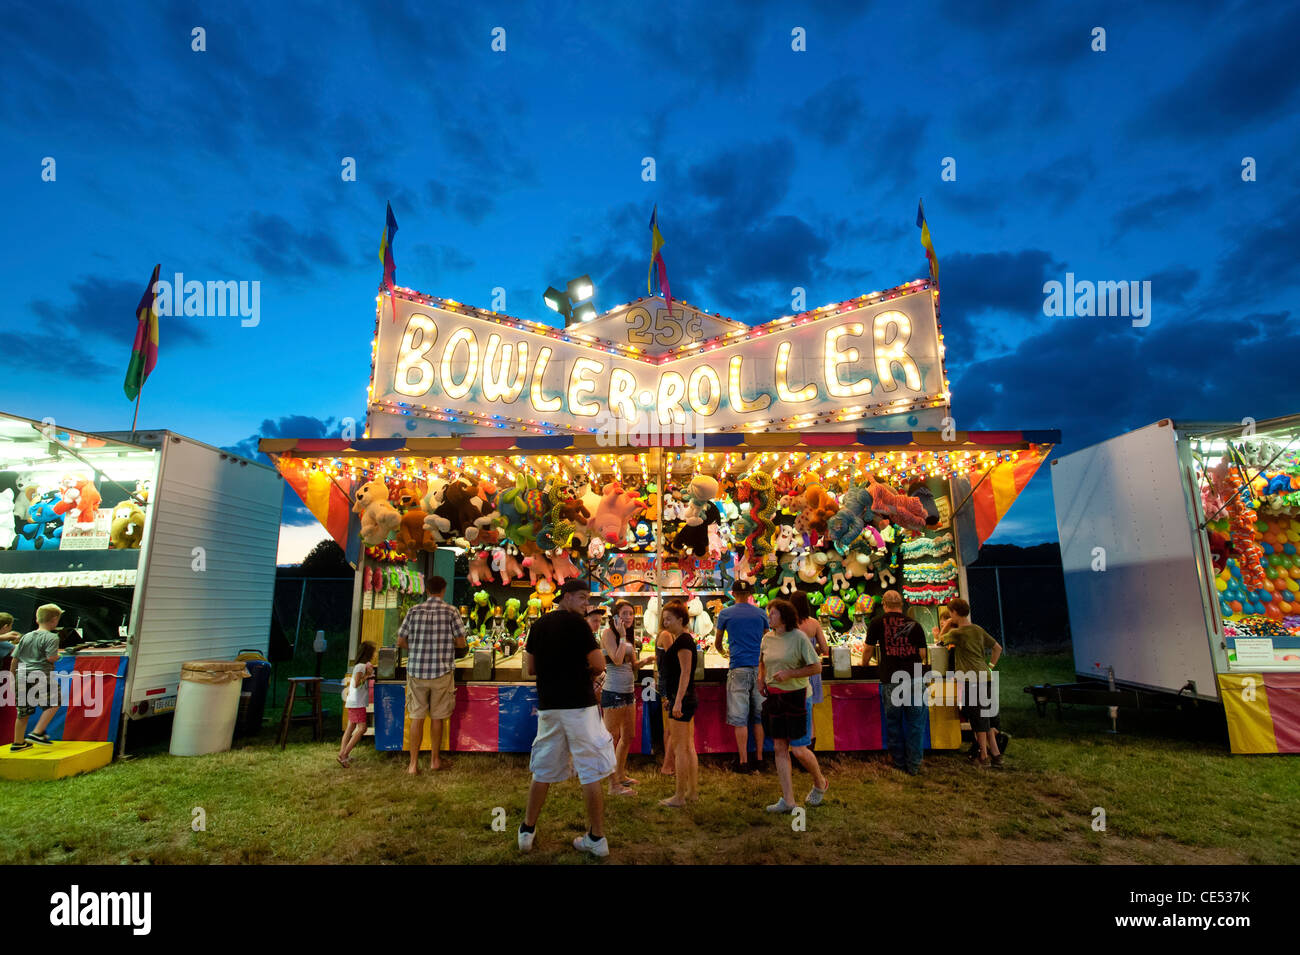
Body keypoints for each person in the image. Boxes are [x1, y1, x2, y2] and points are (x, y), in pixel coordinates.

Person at [519, 579, 617, 857]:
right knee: (589, 772)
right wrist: (579, 673)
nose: (586, 604)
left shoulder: (538, 626)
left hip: (549, 706)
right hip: (580, 706)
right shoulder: (580, 627)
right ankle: (596, 838)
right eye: (583, 598)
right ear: (568, 597)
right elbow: (599, 665)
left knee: (543, 769)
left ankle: (527, 830)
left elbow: (531, 668)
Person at [759, 598, 829, 813]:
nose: (769, 616)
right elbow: (762, 661)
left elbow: (816, 667)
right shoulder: (767, 638)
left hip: (798, 696)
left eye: (772, 613)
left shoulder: (799, 637)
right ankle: (788, 800)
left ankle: (820, 782)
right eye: (768, 613)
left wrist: (790, 673)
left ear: (784, 616)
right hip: (775, 697)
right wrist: (761, 679)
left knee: (798, 749)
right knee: (779, 747)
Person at [396, 575, 467, 774]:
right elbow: (461, 642)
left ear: (426, 590)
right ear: (443, 590)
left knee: (416, 717)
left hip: (417, 671)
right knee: (438, 717)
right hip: (442, 672)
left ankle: (412, 765)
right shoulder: (451, 611)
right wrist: (445, 645)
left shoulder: (413, 611)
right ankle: (435, 760)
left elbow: (400, 641)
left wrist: (417, 648)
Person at [867, 590, 929, 775]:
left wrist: (864, 664)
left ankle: (899, 763)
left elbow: (868, 651)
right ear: (901, 605)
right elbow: (923, 654)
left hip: (891, 678)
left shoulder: (877, 623)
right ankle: (915, 765)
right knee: (916, 724)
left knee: (893, 723)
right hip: (915, 677)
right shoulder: (915, 624)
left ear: (884, 605)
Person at [714, 579, 769, 772]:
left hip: (738, 668)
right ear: (751, 594)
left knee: (740, 718)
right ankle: (760, 758)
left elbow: (718, 642)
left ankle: (743, 761)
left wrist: (723, 652)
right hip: (759, 668)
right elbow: (768, 639)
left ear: (733, 593)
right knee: (758, 717)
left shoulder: (725, 613)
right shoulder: (761, 613)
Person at [943, 597, 1004, 768]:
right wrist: (990, 666)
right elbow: (997, 648)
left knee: (978, 718)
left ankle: (983, 757)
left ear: (954, 613)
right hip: (986, 676)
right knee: (987, 716)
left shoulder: (957, 633)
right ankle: (996, 755)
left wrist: (947, 625)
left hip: (971, 679)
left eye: (950, 613)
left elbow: (940, 640)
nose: (950, 616)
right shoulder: (977, 629)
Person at [601, 600, 652, 796]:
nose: (628, 617)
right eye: (624, 613)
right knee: (611, 738)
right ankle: (613, 785)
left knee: (628, 735)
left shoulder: (627, 637)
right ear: (615, 617)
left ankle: (620, 774)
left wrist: (645, 661)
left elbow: (631, 665)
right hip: (613, 692)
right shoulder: (608, 634)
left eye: (631, 613)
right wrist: (622, 637)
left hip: (628, 692)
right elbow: (615, 658)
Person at [657, 600, 698, 808]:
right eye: (664, 619)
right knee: (688, 746)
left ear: (680, 620)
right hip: (683, 698)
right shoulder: (682, 640)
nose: (665, 622)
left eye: (669, 619)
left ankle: (679, 796)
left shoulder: (683, 642)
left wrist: (678, 701)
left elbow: (685, 673)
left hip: (682, 698)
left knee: (681, 748)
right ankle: (691, 792)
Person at [10, 604, 63, 751]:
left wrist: (12, 676)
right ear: (54, 620)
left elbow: (15, 658)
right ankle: (37, 732)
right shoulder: (52, 637)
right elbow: (51, 657)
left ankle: (18, 743)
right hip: (40, 674)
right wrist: (59, 657)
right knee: (54, 702)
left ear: (37, 619)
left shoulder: (26, 636)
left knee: (23, 711)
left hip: (21, 675)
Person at [788, 590, 828, 750]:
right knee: (809, 714)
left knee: (793, 712)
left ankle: (796, 749)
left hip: (792, 673)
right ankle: (810, 751)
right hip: (811, 672)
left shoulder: (788, 624)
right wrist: (812, 650)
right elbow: (825, 648)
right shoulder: (814, 623)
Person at [338, 640, 376, 768]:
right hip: (357, 702)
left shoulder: (359, 666)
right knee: (362, 728)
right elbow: (355, 684)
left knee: (350, 728)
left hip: (353, 701)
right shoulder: (361, 667)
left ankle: (342, 754)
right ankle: (344, 754)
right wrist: (368, 676)